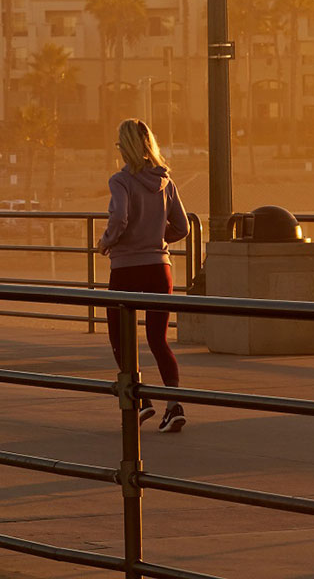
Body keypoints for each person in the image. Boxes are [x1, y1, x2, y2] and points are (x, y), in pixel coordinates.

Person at [96, 119, 190, 433]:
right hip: (159, 269)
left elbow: (120, 216)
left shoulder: (120, 181)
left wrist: (107, 241)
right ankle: (174, 405)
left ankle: (140, 401)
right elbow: (183, 227)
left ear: (127, 148)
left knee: (120, 339)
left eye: (120, 145)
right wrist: (155, 239)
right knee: (158, 339)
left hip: (126, 270)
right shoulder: (166, 181)